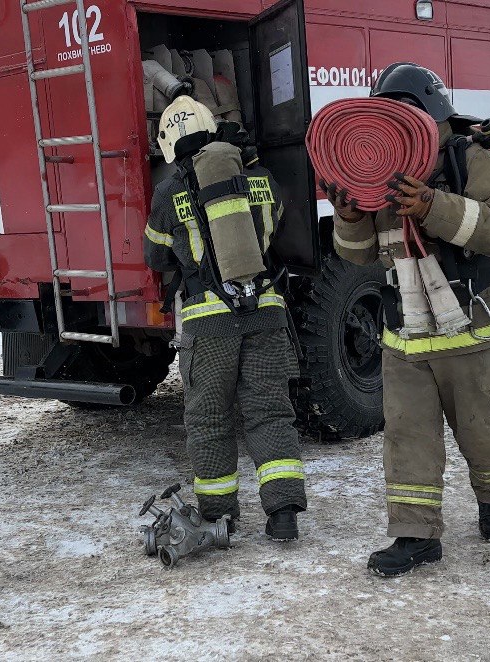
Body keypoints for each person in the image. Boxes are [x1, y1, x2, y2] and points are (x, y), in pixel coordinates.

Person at [325, 63, 490, 576]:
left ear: (433, 114)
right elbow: (361, 255)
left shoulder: (472, 160)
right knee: (406, 437)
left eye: (407, 115)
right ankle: (415, 534)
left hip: (475, 331)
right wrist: (349, 219)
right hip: (408, 337)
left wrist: (433, 204)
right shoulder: (378, 178)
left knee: (486, 430)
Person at [143, 95, 307, 540]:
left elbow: (155, 255)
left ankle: (219, 517)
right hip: (266, 310)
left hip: (208, 320)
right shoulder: (255, 174)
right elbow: (276, 223)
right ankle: (283, 513)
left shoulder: (169, 189)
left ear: (168, 140)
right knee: (270, 411)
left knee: (209, 417)